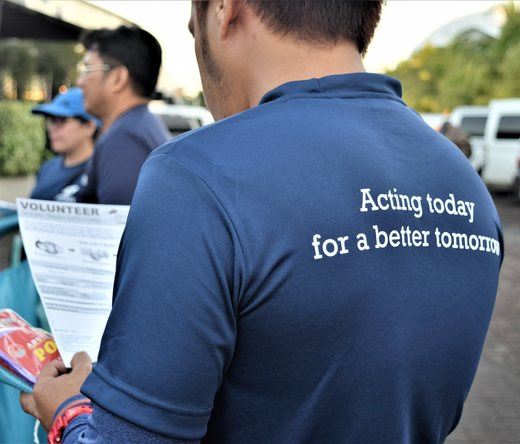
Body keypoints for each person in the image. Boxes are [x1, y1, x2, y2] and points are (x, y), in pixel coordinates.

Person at [21, 1, 503, 443]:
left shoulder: (197, 176)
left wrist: (65, 412)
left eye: (194, 30)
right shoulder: (465, 185)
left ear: (226, 11)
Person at [75, 26, 170, 205]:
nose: (79, 82)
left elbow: (116, 229)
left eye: (87, 69)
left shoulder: (124, 139)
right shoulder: (139, 125)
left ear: (118, 78)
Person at [30, 88, 100, 202]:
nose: (53, 129)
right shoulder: (47, 168)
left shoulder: (101, 171)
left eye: (61, 120)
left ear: (89, 127)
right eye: (51, 121)